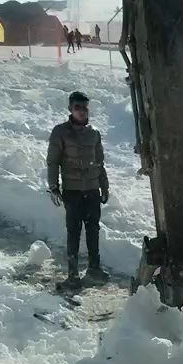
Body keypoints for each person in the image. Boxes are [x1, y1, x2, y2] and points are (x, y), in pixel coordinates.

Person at [47, 90, 110, 289]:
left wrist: (104, 186)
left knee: (93, 230)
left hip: (92, 190)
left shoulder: (94, 133)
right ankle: (73, 275)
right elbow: (53, 161)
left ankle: (94, 268)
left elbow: (100, 163)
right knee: (74, 231)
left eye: (84, 108)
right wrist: (54, 186)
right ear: (70, 109)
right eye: (77, 108)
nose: (81, 112)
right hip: (72, 191)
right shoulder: (60, 132)